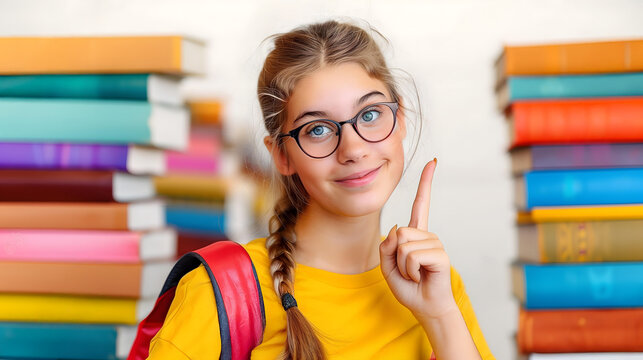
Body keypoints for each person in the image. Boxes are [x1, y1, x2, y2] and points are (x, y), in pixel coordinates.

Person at [148, 20, 494, 360]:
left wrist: (439, 316)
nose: (354, 149)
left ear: (400, 119)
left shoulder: (438, 284)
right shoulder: (219, 293)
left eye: (370, 114)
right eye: (317, 130)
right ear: (282, 155)